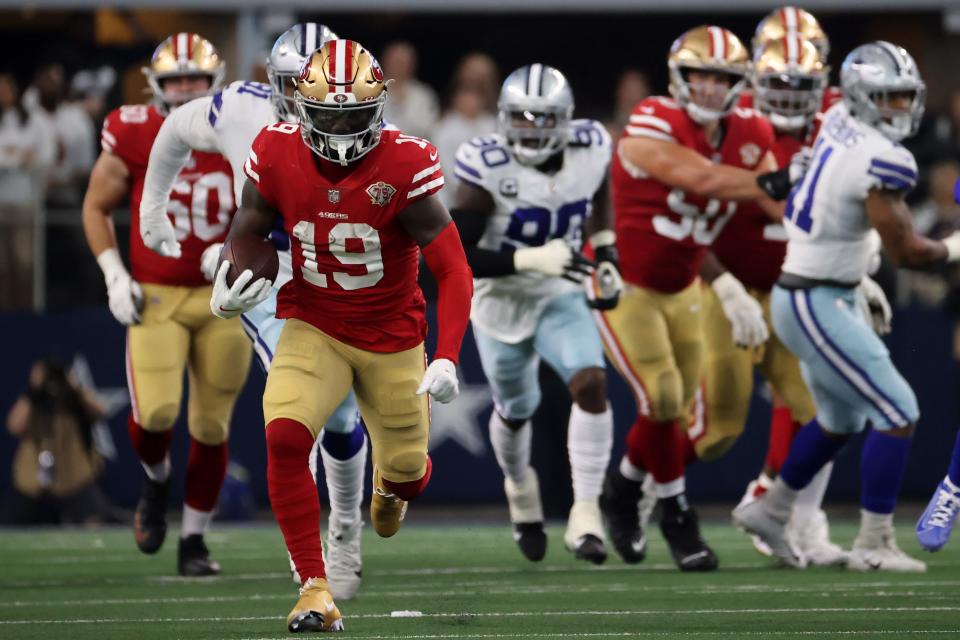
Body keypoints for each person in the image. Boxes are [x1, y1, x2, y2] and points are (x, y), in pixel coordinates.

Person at [204, 39, 473, 632]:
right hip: (313, 323)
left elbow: (453, 269)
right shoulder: (274, 150)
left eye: (354, 115)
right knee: (283, 436)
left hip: (392, 337)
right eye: (329, 115)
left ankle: (389, 485)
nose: (343, 130)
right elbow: (249, 228)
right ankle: (314, 588)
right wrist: (235, 270)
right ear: (301, 108)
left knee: (406, 475)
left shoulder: (405, 162)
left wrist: (449, 356)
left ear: (378, 110)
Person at [138, 23, 368, 600]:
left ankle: (346, 527)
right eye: (295, 84)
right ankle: (312, 555)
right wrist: (153, 210)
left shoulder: (368, 126)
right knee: (299, 400)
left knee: (341, 413)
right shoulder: (242, 110)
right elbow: (173, 129)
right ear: (275, 82)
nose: (307, 99)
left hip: (341, 274)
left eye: (318, 86)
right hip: (276, 274)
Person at [734, 41, 960, 572]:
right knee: (899, 410)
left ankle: (773, 509)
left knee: (841, 417)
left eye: (905, 98)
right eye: (888, 98)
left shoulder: (837, 118)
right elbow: (907, 251)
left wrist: (857, 273)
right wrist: (954, 246)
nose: (900, 110)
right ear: (862, 97)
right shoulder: (883, 157)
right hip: (817, 296)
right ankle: (873, 543)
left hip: (817, 286)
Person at [596, 25, 790, 572]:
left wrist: (846, 240)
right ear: (678, 77)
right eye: (699, 74)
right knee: (660, 396)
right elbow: (697, 176)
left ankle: (625, 489)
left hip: (685, 284)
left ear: (740, 81)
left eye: (722, 76)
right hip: (626, 282)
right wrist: (777, 182)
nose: (708, 87)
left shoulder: (752, 128)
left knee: (675, 409)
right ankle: (678, 516)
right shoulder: (652, 118)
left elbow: (783, 210)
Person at [81, 32, 250, 577]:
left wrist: (234, 253)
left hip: (223, 296)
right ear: (154, 85)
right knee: (154, 413)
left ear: (213, 83)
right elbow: (95, 206)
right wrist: (114, 274)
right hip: (157, 293)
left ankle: (194, 540)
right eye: (173, 80)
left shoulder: (241, 128)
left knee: (211, 426)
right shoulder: (133, 131)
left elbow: (275, 208)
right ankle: (156, 482)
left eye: (193, 80)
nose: (182, 89)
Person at [451, 64, 620, 564]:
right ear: (504, 119)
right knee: (516, 408)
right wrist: (526, 258)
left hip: (558, 291)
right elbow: (457, 253)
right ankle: (520, 489)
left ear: (565, 121)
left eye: (543, 118)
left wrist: (606, 251)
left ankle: (586, 514)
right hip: (501, 299)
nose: (531, 128)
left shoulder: (591, 146)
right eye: (521, 117)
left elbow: (600, 190)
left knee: (590, 383)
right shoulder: (487, 164)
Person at [2, 358, 116, 525]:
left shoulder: (73, 399)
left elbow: (99, 411)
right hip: (33, 480)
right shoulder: (32, 401)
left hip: (74, 478)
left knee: (96, 522)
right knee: (8, 526)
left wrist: (73, 389)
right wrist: (34, 393)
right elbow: (14, 426)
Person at [0, 72, 55, 310]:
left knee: (24, 263)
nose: (3, 95)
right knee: (3, 264)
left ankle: (26, 311)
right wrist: (16, 158)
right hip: (1, 201)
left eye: (6, 89)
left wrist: (20, 157)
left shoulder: (33, 119)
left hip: (25, 202)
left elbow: (46, 155)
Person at [381, 41, 439, 139]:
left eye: (403, 62)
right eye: (395, 61)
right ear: (385, 61)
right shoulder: (371, 91)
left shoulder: (424, 95)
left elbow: (428, 128)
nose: (398, 67)